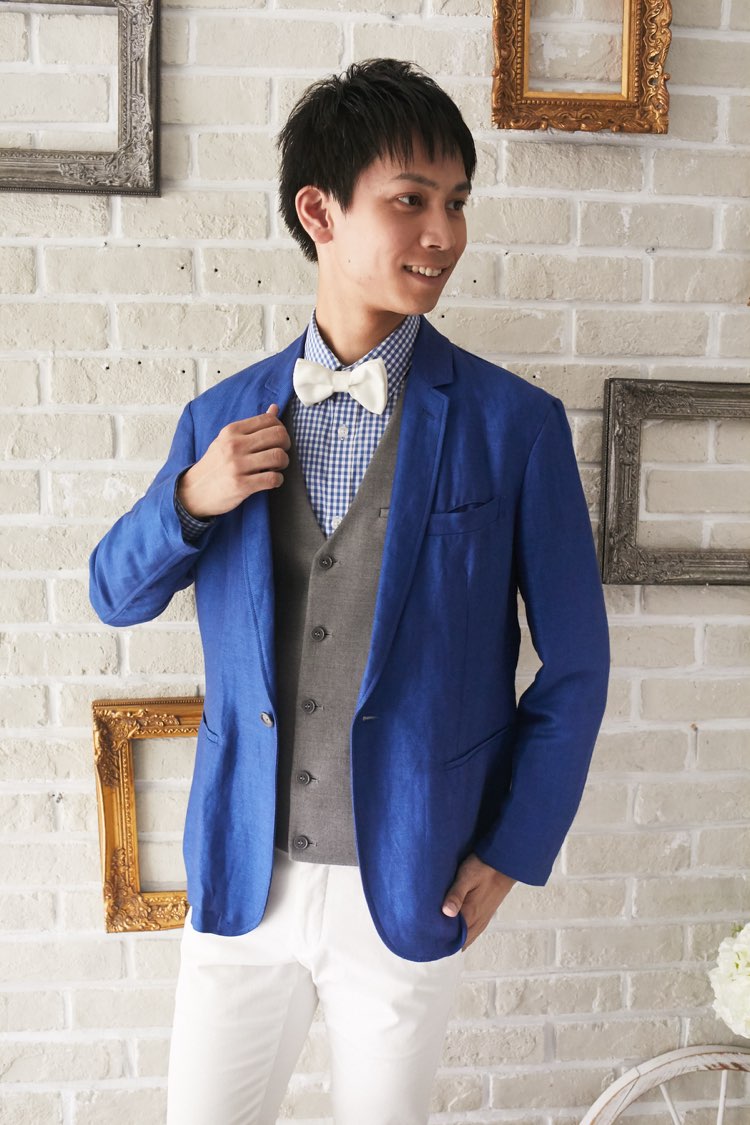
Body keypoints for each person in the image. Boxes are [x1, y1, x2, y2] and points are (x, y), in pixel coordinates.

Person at [89, 58, 610, 1125]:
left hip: (412, 875)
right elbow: (114, 595)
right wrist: (191, 498)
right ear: (319, 212)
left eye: (457, 202)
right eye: (410, 201)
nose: (444, 233)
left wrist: (513, 850)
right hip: (244, 881)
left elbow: (577, 663)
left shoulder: (515, 427)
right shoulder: (220, 420)